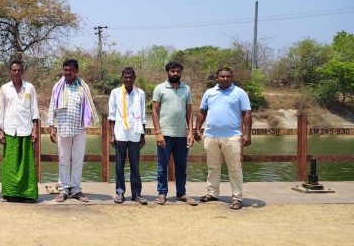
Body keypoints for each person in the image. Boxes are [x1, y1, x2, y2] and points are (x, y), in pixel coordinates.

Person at [194, 66, 252, 210]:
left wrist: (247, 134)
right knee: (212, 167)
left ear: (232, 78)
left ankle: (237, 197)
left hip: (232, 136)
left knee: (235, 168)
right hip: (210, 136)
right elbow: (202, 112)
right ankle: (212, 193)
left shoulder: (239, 93)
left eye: (228, 76)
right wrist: (197, 129)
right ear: (217, 78)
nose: (225, 78)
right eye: (222, 76)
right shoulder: (209, 92)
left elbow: (246, 114)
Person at [48, 58, 99, 203]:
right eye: (66, 70)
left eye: (71, 70)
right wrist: (51, 126)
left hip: (79, 129)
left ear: (76, 71)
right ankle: (64, 190)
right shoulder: (58, 87)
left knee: (78, 161)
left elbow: (88, 106)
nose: (68, 72)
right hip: (63, 128)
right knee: (64, 161)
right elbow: (52, 106)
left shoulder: (83, 87)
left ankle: (76, 190)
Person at [151, 61, 197, 206]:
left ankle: (181, 193)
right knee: (162, 165)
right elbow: (154, 111)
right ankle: (162, 193)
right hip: (165, 134)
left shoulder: (186, 89)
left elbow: (189, 112)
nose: (175, 73)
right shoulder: (160, 88)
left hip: (182, 134)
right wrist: (158, 132)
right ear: (167, 72)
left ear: (181, 72)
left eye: (178, 71)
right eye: (172, 71)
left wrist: (190, 132)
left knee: (181, 165)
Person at [0, 60, 40, 202]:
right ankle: (9, 193)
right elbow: (0, 111)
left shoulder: (30, 88)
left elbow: (34, 110)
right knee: (10, 163)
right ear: (10, 71)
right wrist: (0, 131)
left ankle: (28, 194)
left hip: (25, 129)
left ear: (22, 71)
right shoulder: (4, 88)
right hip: (10, 130)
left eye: (19, 70)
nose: (16, 72)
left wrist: (35, 130)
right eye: (14, 70)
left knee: (26, 164)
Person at [108, 67, 147, 205]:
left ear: (134, 78)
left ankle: (136, 194)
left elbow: (143, 116)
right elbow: (112, 116)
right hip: (120, 133)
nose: (128, 79)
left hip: (135, 132)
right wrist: (112, 135)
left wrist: (143, 136)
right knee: (119, 165)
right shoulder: (115, 93)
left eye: (130, 77)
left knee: (135, 165)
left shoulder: (140, 93)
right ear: (122, 78)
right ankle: (120, 192)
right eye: (126, 77)